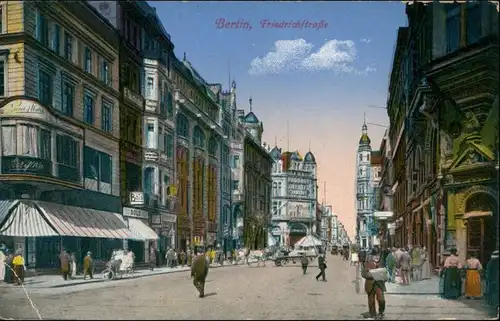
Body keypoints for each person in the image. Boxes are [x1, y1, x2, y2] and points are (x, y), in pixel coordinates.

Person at [362, 248, 386, 320]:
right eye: (375, 256)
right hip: (370, 284)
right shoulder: (367, 263)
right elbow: (363, 274)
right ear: (372, 256)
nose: (377, 257)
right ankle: (373, 314)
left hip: (379, 284)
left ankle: (381, 312)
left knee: (382, 300)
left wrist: (384, 277)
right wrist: (371, 274)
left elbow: (385, 274)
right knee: (371, 301)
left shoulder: (381, 263)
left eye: (378, 256)